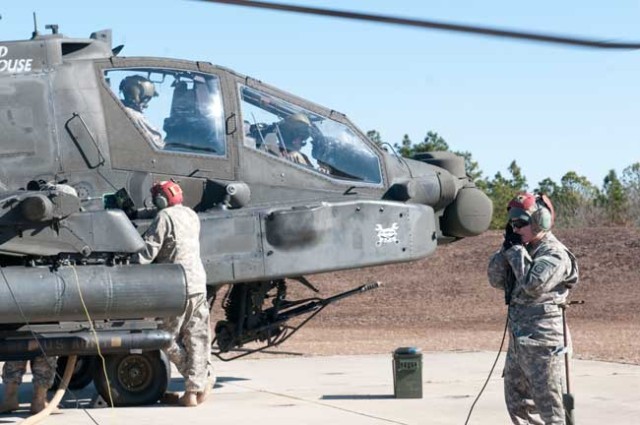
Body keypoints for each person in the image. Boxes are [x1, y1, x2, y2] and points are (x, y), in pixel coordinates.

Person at [487, 192, 579, 425]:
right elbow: (496, 279)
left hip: (543, 344)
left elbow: (533, 284)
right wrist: (506, 249)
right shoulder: (522, 247)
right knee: (517, 404)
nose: (515, 229)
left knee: (551, 409)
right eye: (512, 224)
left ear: (541, 221)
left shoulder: (554, 253)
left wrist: (516, 252)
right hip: (519, 342)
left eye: (520, 224)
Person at [135, 180, 212, 407]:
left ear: (162, 199)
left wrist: (129, 265)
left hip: (176, 286)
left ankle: (191, 374)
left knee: (166, 337)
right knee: (197, 337)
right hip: (198, 283)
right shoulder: (191, 215)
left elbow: (150, 249)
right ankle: (193, 391)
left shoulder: (164, 217)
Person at [119, 75, 165, 150]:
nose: (146, 102)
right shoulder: (134, 116)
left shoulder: (119, 109)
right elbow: (159, 146)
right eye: (146, 98)